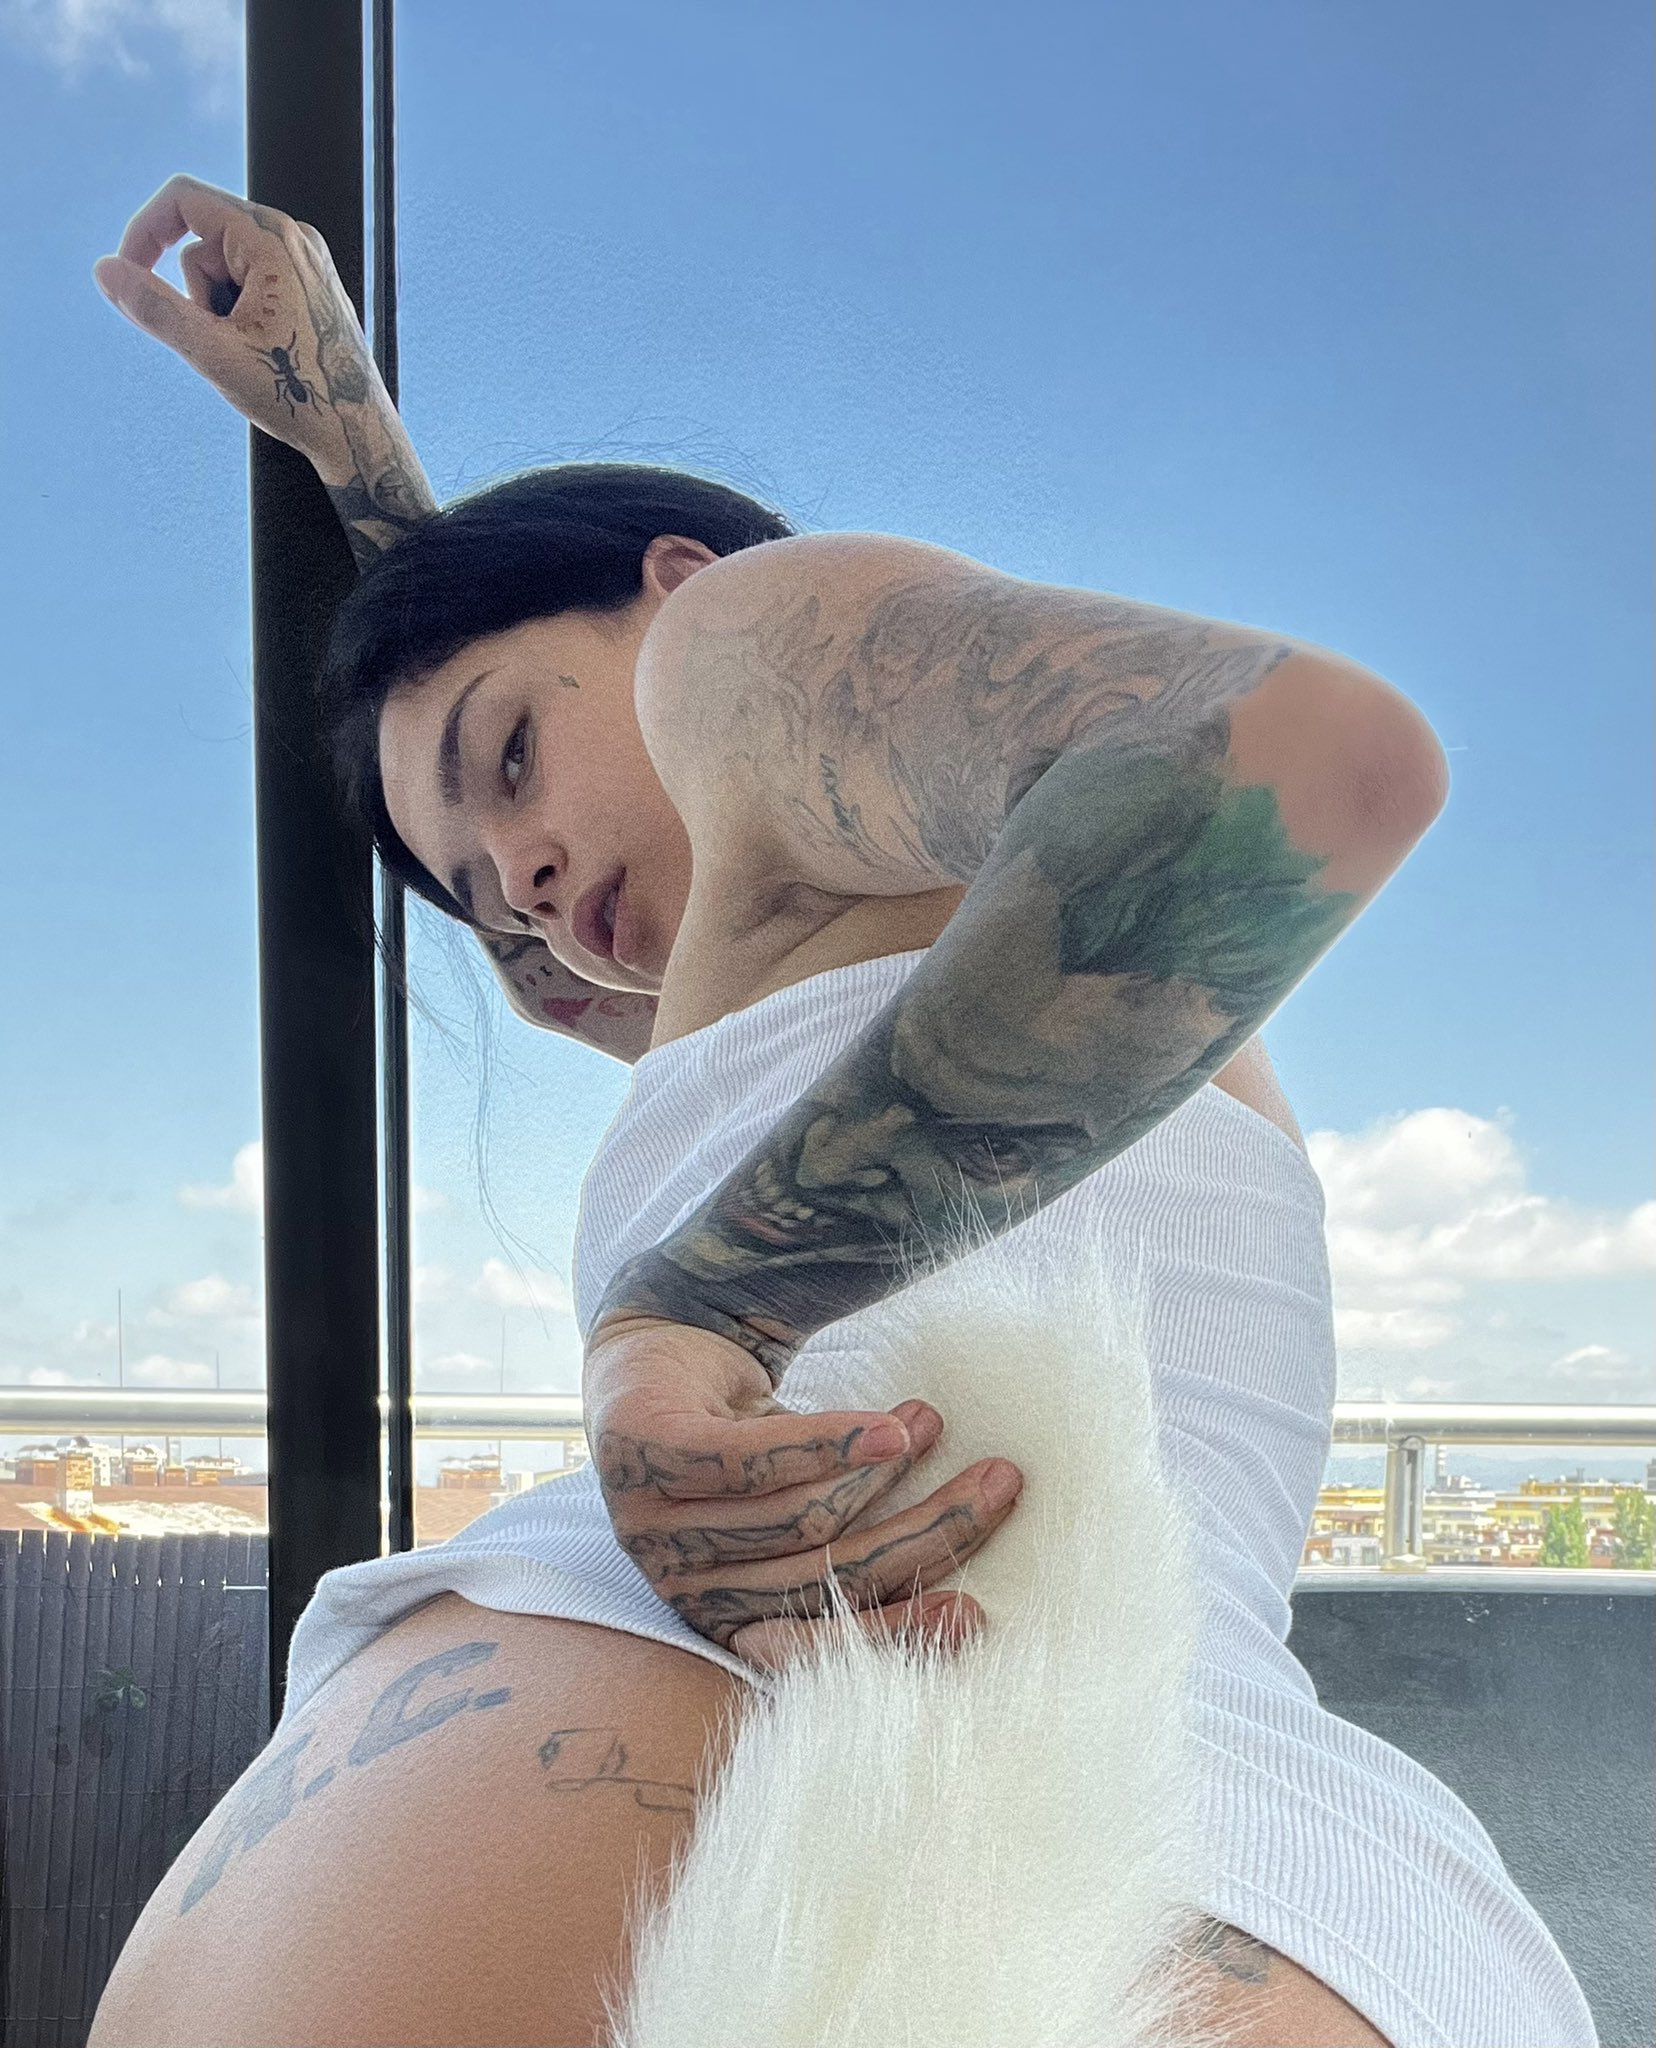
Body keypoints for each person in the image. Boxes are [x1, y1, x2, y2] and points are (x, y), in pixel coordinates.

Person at [84, 176, 1598, 2048]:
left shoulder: (746, 641)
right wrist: (353, 454)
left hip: (961, 1732)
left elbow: (1293, 766)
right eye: (478, 894)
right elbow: (513, 674)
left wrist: (705, 1309)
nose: (524, 883)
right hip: (1168, 1793)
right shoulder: (777, 974)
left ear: (676, 583)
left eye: (517, 757)